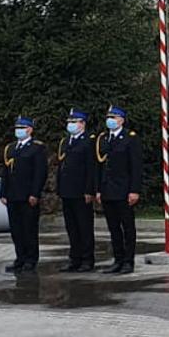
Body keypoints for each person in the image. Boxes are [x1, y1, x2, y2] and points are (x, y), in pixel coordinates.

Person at [0, 116, 49, 275]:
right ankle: (20, 258)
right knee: (16, 230)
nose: (18, 131)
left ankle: (31, 259)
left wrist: (35, 193)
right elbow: (5, 172)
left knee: (29, 229)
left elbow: (40, 173)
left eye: (22, 128)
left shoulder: (37, 148)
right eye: (16, 128)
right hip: (12, 195)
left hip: (28, 196)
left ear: (30, 130)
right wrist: (3, 192)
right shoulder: (11, 148)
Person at [96, 106, 142, 275]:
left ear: (122, 120)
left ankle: (128, 261)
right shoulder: (104, 138)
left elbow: (136, 167)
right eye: (109, 117)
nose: (111, 120)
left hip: (124, 191)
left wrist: (134, 190)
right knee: (113, 228)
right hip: (108, 190)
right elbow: (100, 167)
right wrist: (99, 189)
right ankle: (118, 260)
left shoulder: (130, 138)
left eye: (114, 117)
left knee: (127, 228)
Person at [55, 109, 100, 273]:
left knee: (84, 227)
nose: (71, 124)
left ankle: (87, 260)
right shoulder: (66, 142)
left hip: (81, 191)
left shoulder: (89, 141)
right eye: (69, 122)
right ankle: (74, 258)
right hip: (67, 190)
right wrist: (59, 188)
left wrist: (90, 190)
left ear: (82, 123)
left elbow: (91, 168)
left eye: (74, 122)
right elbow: (62, 167)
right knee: (72, 227)